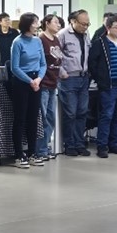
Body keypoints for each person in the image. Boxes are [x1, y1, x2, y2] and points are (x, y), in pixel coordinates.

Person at [88, 14, 117, 158]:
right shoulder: (100, 43)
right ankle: (102, 146)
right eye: (116, 27)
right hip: (109, 86)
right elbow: (92, 64)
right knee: (106, 116)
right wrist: (101, 80)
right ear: (108, 28)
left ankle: (114, 144)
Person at [8, 13, 47, 168]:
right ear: (27, 24)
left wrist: (38, 79)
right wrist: (30, 81)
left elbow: (43, 63)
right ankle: (19, 155)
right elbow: (15, 67)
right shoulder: (17, 42)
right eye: (35, 22)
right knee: (20, 119)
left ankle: (32, 152)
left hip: (36, 81)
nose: (37, 25)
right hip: (22, 82)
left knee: (33, 118)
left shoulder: (37, 41)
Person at [57, 10, 91, 156]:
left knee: (82, 112)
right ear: (73, 21)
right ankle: (69, 144)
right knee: (70, 113)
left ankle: (79, 143)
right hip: (68, 78)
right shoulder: (63, 34)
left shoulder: (86, 34)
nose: (85, 27)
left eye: (87, 24)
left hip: (84, 77)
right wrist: (61, 71)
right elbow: (55, 55)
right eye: (83, 24)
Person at [37, 14, 63, 160]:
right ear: (47, 23)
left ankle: (45, 146)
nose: (58, 25)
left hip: (54, 83)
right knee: (43, 118)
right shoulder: (41, 39)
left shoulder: (56, 39)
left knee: (51, 117)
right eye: (55, 22)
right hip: (44, 83)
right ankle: (40, 149)